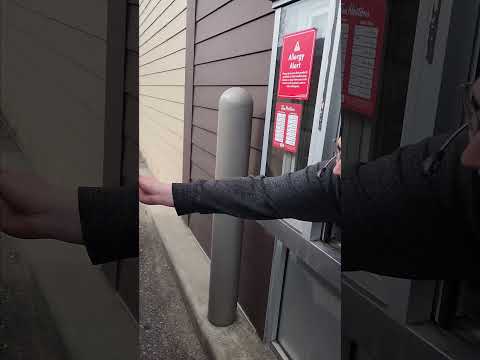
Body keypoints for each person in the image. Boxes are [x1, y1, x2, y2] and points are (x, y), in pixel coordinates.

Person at [140, 80, 480, 279]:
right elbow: (265, 193)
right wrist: (173, 193)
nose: (469, 154)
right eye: (475, 109)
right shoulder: (435, 167)